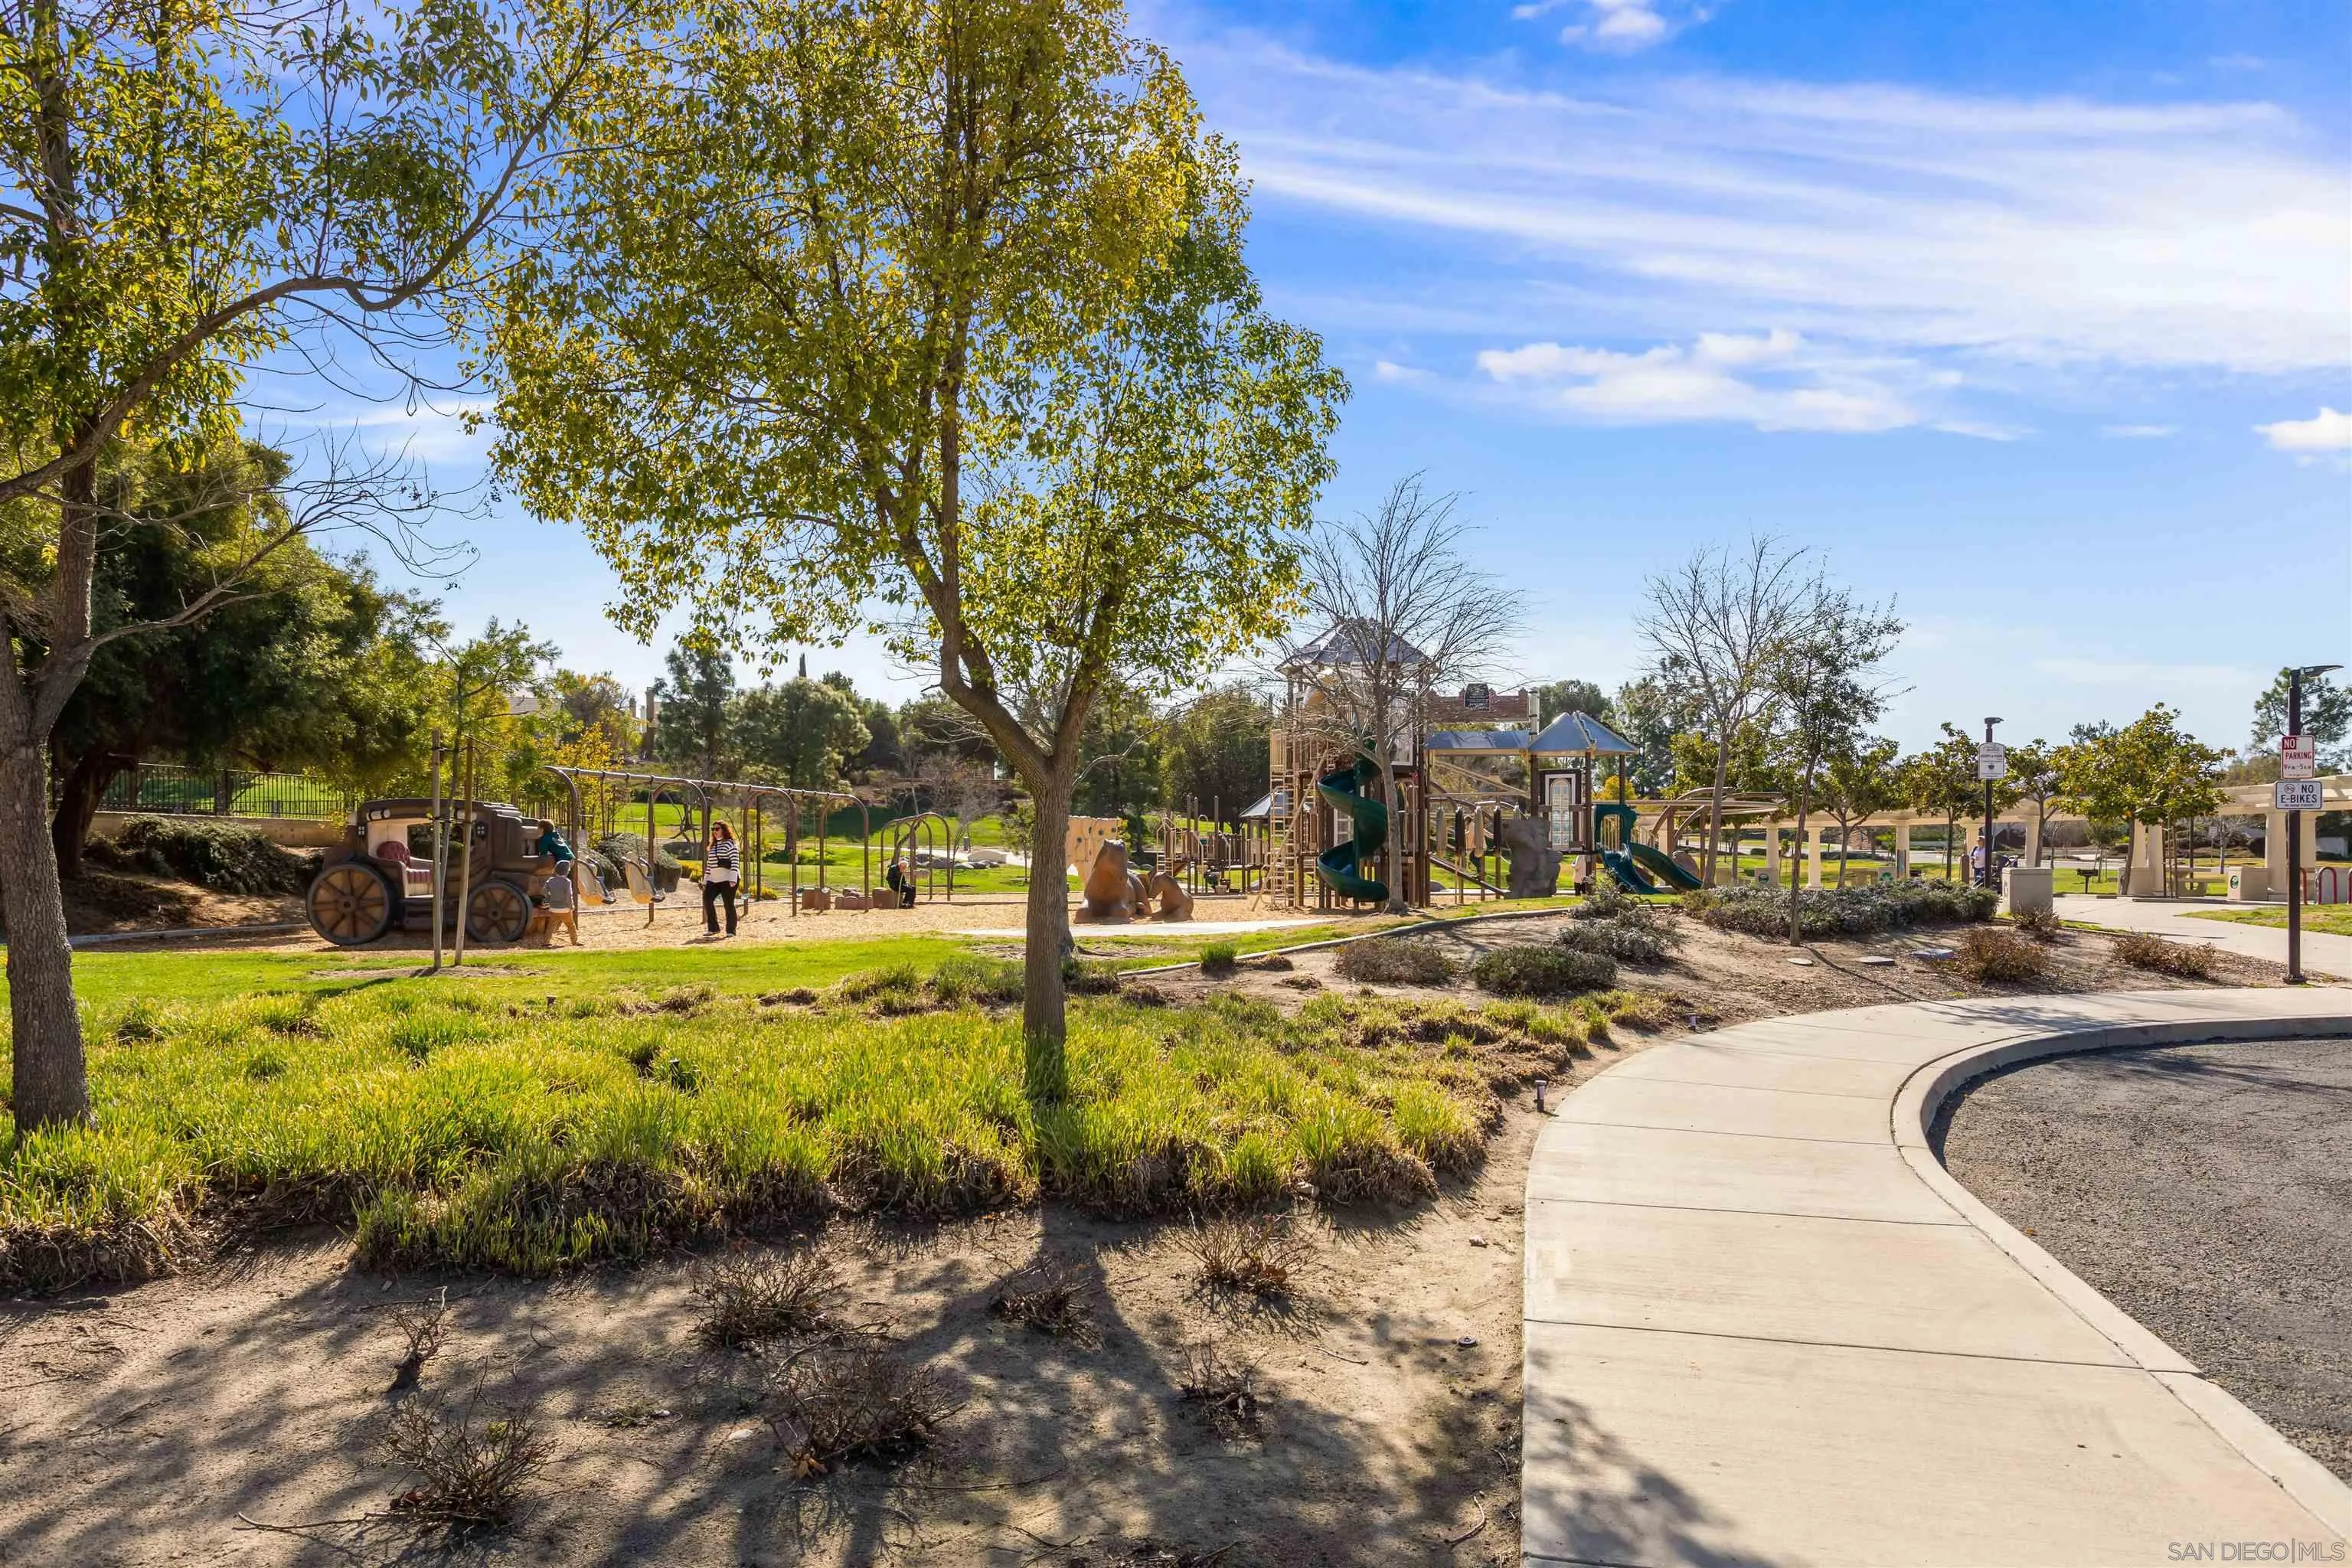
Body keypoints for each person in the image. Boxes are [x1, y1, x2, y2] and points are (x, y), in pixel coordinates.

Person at [703, 819, 741, 936]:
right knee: (707, 900)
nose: (714, 831)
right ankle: (713, 928)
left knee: (728, 904)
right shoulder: (713, 846)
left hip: (728, 879)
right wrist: (705, 880)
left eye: (717, 829)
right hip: (714, 880)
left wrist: (733, 879)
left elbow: (735, 861)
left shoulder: (730, 844)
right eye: (713, 829)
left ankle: (731, 930)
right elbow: (710, 865)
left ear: (724, 830)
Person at [534, 861, 580, 946]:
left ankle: (546, 942)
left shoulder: (551, 881)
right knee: (570, 925)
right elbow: (568, 895)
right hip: (565, 909)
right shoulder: (567, 882)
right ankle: (574, 942)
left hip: (554, 908)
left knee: (551, 926)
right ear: (567, 871)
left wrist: (549, 898)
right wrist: (571, 906)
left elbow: (544, 891)